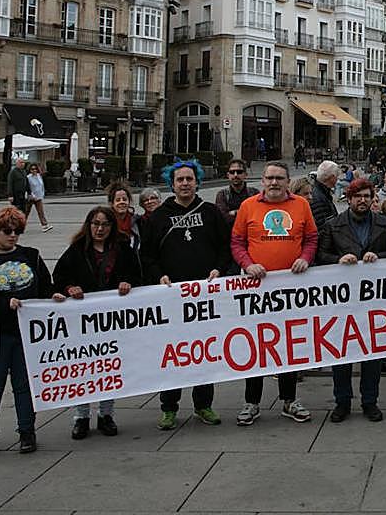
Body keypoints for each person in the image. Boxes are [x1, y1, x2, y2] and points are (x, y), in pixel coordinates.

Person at [0, 205, 61, 458]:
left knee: (24, 386)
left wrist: (54, 295)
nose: (13, 236)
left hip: (26, 335)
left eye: (17, 231)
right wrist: (2, 305)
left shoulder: (31, 255)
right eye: (7, 231)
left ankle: (27, 431)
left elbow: (44, 286)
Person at [141, 160, 230, 430]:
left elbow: (225, 247)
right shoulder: (158, 217)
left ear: (197, 182)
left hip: (204, 296)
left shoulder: (211, 213)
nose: (185, 184)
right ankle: (169, 407)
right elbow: (147, 255)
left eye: (189, 179)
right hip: (172, 297)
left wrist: (219, 268)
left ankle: (203, 404)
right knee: (173, 353)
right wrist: (159, 276)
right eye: (180, 179)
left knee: (205, 352)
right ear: (172, 183)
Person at [231, 161, 317, 426]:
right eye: (269, 178)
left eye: (279, 178)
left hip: (291, 288)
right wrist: (247, 264)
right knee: (256, 345)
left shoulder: (301, 205)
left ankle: (289, 399)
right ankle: (252, 402)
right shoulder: (248, 206)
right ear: (263, 181)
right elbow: (237, 241)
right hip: (258, 289)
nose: (274, 183)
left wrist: (305, 257)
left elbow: (312, 238)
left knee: (288, 345)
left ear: (288, 180)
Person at [317, 177, 386, 422]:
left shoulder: (384, 224)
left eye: (367, 196)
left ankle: (369, 401)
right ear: (349, 199)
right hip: (342, 300)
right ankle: (342, 401)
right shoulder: (333, 224)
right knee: (341, 353)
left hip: (374, 300)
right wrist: (338, 260)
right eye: (358, 197)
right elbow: (321, 256)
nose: (362, 200)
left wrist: (380, 256)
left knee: (372, 354)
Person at [52, 205, 140, 439]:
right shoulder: (77, 250)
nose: (100, 229)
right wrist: (69, 287)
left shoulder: (122, 249)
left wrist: (127, 282)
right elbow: (59, 277)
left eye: (105, 224)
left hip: (111, 319)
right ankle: (81, 416)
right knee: (84, 369)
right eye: (95, 224)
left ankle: (106, 414)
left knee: (107, 367)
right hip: (83, 320)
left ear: (112, 227)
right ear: (88, 226)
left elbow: (136, 275)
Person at [215, 158, 255, 230]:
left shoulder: (254, 193)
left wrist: (234, 213)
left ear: (245, 174)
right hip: (229, 237)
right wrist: (246, 213)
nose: (235, 175)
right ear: (228, 175)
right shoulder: (222, 195)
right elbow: (223, 218)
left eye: (239, 172)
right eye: (232, 172)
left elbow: (257, 216)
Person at [108, 181, 141, 252]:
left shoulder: (138, 221)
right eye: (118, 200)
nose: (121, 202)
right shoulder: (107, 221)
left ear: (129, 202)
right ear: (111, 203)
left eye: (124, 199)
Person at [311, 160, 341, 229]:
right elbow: (323, 225)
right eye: (337, 176)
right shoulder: (318, 196)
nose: (337, 179)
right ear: (332, 178)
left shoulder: (322, 191)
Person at [26, 163, 52, 231]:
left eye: (35, 169)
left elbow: (41, 186)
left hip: (39, 196)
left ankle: (44, 225)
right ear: (30, 170)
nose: (34, 170)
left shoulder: (39, 176)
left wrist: (42, 194)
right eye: (32, 169)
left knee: (40, 211)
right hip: (31, 197)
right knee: (26, 212)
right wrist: (31, 195)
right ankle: (21, 225)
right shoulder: (28, 177)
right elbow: (28, 188)